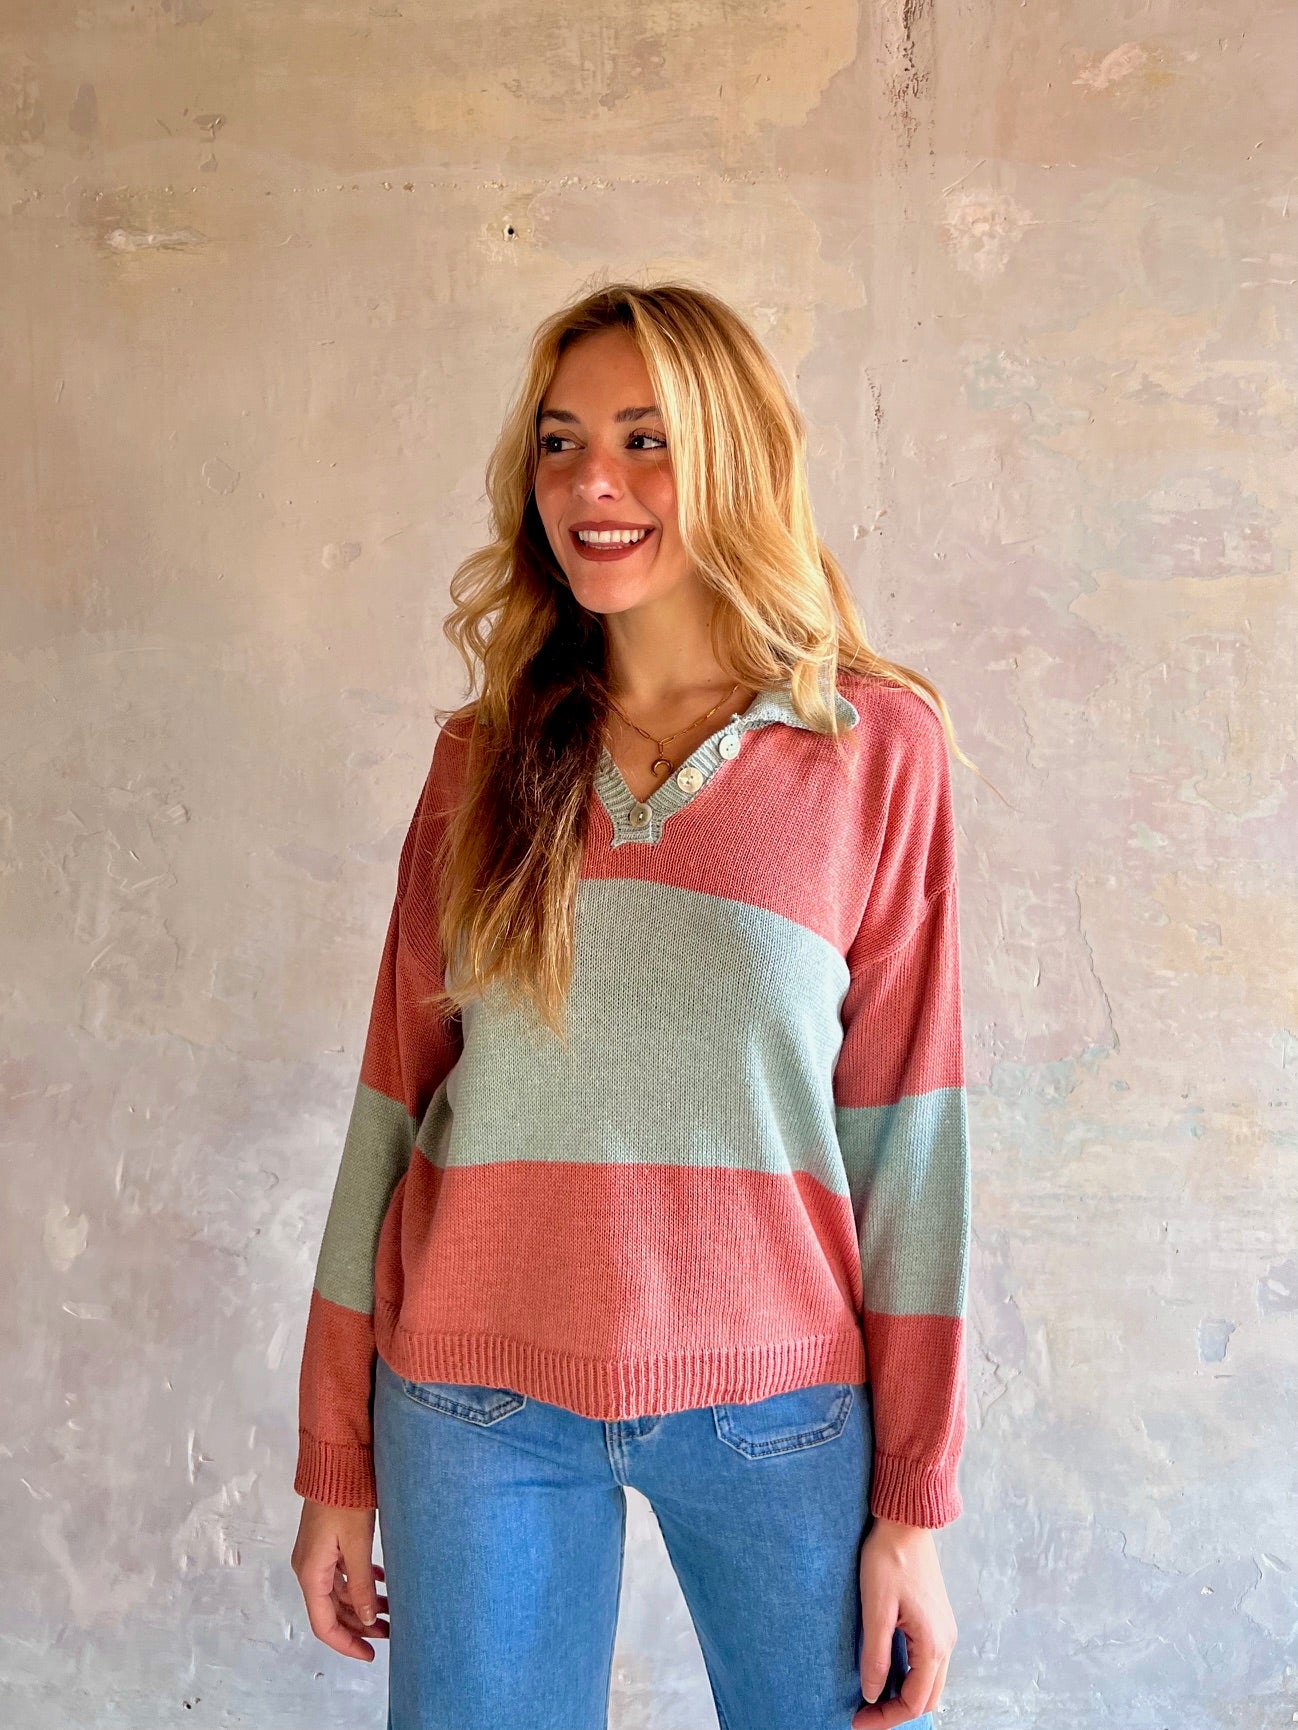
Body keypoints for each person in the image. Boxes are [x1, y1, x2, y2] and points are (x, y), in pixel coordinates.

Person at [290, 279, 978, 1730]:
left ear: (736, 457)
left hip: (779, 1405)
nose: (589, 483)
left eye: (643, 439)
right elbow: (389, 1113)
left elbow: (910, 1143)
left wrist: (913, 1506)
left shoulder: (871, 748)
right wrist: (335, 1463)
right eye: (560, 442)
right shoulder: (482, 760)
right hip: (474, 1404)